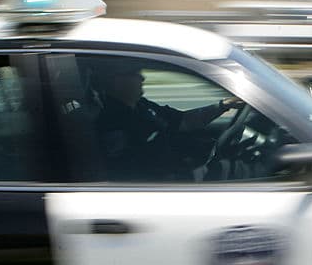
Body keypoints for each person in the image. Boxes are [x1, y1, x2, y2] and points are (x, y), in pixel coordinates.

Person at [94, 62, 240, 181]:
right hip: (162, 185)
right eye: (135, 74)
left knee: (231, 166)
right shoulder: (111, 121)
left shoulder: (142, 105)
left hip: (178, 173)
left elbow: (184, 121)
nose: (142, 78)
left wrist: (224, 105)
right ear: (116, 80)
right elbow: (128, 168)